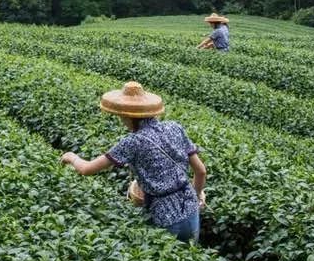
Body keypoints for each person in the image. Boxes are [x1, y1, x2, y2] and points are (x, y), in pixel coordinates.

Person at [60, 81, 207, 242]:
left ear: (127, 116)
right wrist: (197, 195)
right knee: (190, 258)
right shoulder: (175, 127)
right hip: (192, 211)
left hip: (166, 217)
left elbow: (87, 169)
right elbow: (201, 171)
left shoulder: (132, 142)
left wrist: (71, 157)